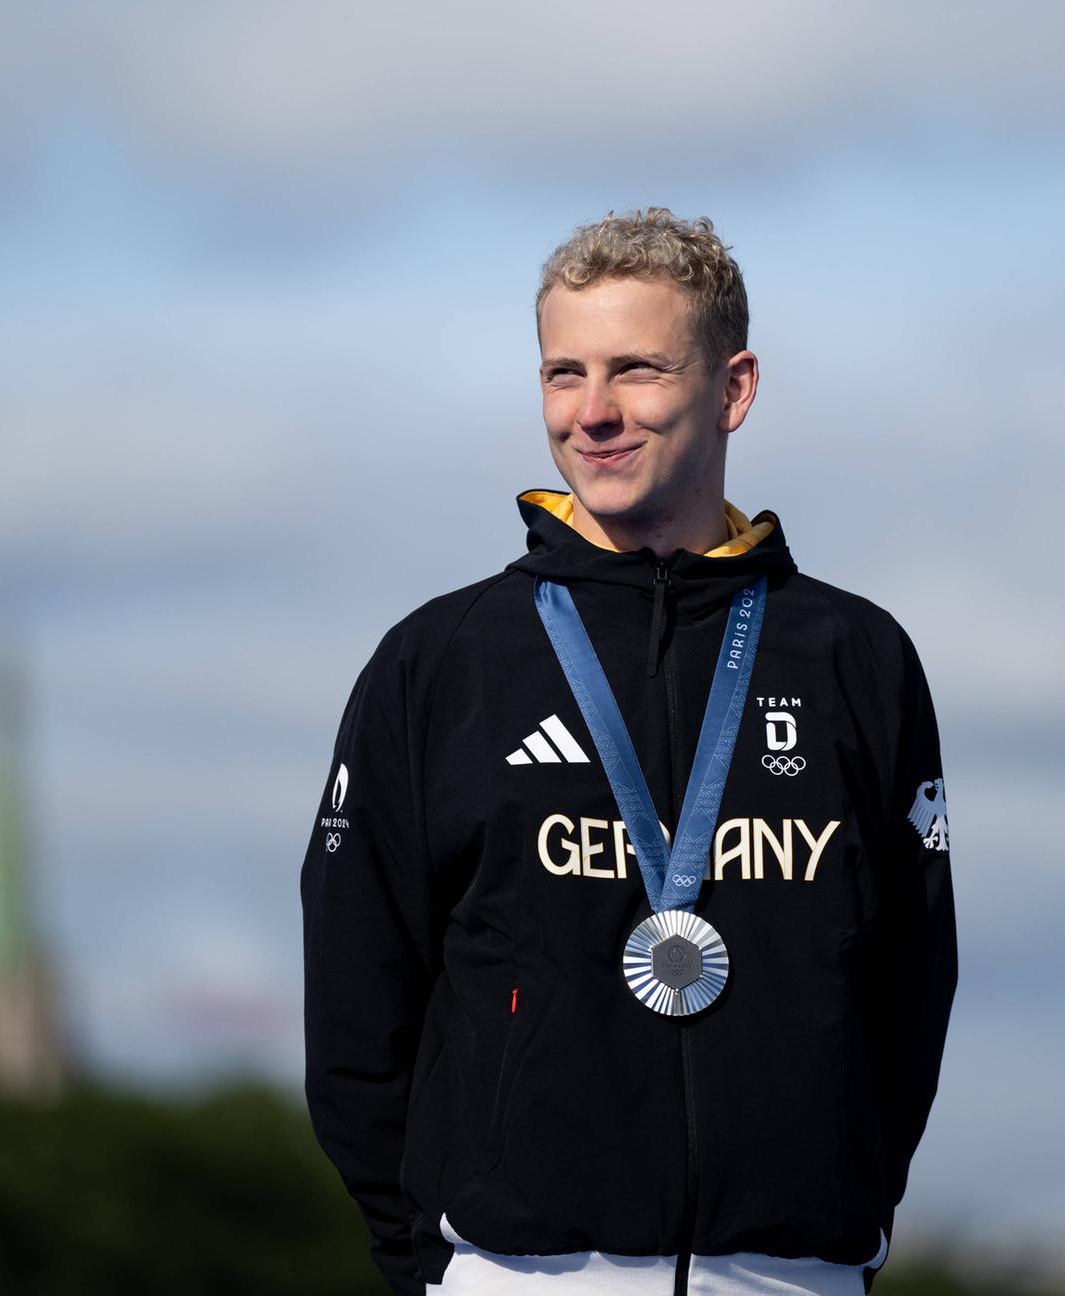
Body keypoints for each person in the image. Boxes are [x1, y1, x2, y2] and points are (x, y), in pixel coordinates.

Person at [301, 208, 957, 1296]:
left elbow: (909, 987)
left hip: (792, 1271)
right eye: (564, 374)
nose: (593, 413)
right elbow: (357, 997)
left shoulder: (857, 657)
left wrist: (839, 1215)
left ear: (734, 388)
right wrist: (431, 1260)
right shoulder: (443, 661)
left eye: (638, 370)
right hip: (518, 1271)